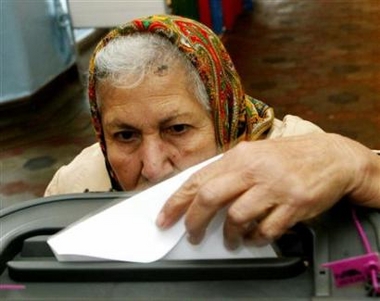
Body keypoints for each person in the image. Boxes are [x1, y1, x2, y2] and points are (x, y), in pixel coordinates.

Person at [44, 15, 380, 249]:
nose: (153, 167)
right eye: (126, 136)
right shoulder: (74, 186)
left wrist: (353, 161)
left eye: (177, 128)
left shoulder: (298, 152)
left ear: (223, 114)